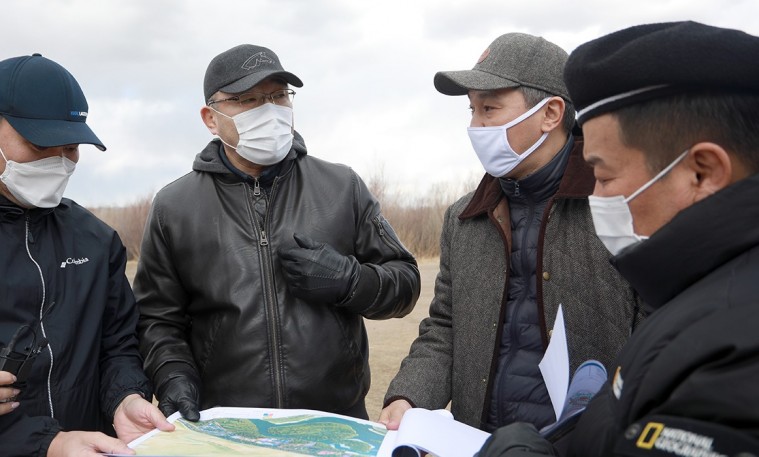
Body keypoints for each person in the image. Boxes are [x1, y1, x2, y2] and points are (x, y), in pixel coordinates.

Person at [477, 21, 759, 457]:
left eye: (605, 176)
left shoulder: (734, 355)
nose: (597, 196)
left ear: (702, 172)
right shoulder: (694, 295)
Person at [134, 44, 421, 422]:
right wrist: (172, 374)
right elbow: (157, 319)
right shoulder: (175, 206)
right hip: (228, 426)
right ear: (211, 118)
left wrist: (351, 281)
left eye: (278, 96)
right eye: (248, 99)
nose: (268, 110)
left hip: (334, 420)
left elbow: (405, 283)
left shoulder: (341, 187)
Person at [380, 33, 642, 432]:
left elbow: (657, 334)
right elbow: (445, 328)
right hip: (481, 440)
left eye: (489, 108)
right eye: (472, 110)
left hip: (588, 440)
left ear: (550, 113)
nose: (475, 126)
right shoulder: (463, 218)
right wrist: (408, 397)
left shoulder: (618, 205)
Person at [0, 54, 172, 456]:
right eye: (39, 143)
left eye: (71, 146)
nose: (58, 160)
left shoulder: (96, 241)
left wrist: (125, 397)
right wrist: (47, 445)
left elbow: (118, 346)